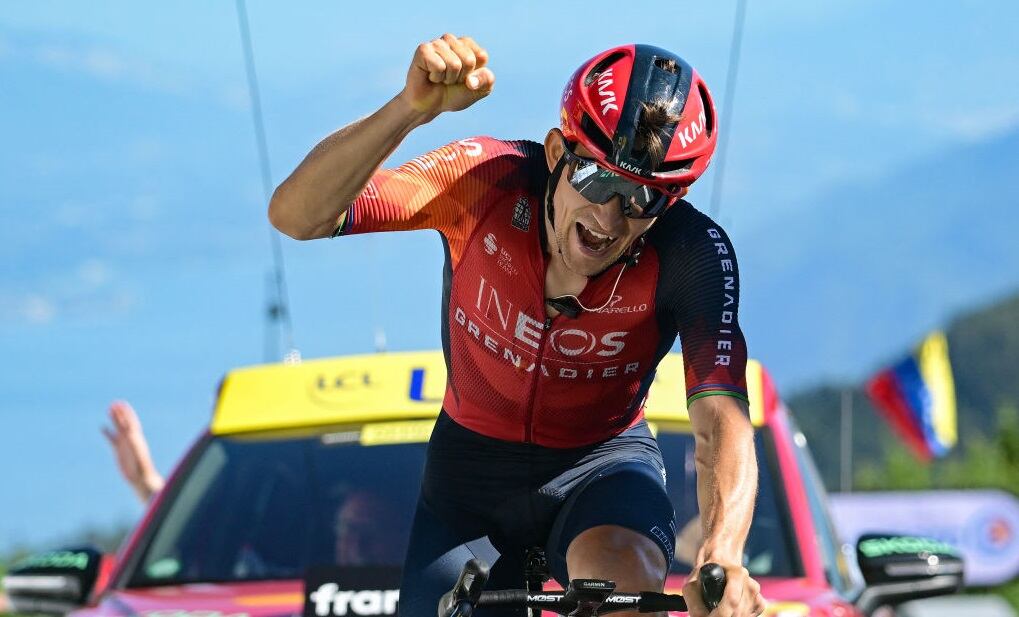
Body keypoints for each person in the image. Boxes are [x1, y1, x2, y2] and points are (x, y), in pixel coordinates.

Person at [269, 35, 765, 617]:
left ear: (671, 201)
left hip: (601, 465)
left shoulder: (691, 254)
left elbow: (721, 419)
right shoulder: (485, 180)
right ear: (557, 151)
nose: (608, 218)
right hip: (469, 477)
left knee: (620, 588)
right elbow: (296, 216)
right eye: (596, 181)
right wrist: (410, 110)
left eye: (640, 199)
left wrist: (722, 553)